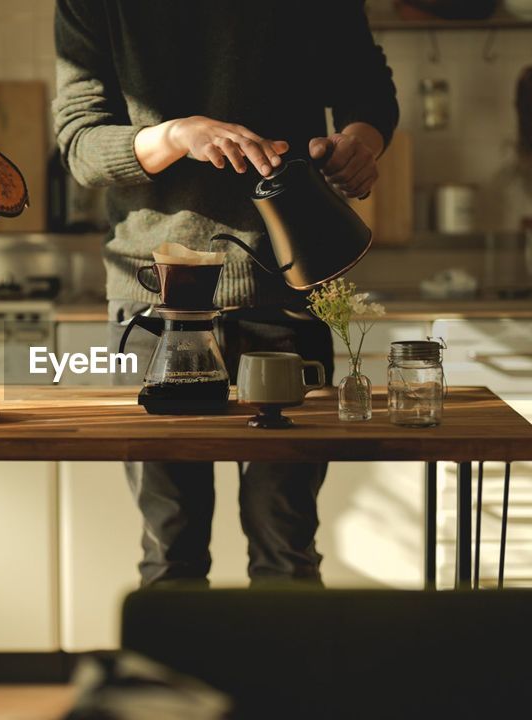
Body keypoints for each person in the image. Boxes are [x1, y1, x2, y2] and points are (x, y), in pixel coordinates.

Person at [53, 0, 398, 587]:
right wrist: (176, 135)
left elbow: (368, 91)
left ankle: (277, 684)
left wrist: (359, 144)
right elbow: (80, 143)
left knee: (286, 547)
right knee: (171, 550)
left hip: (286, 293)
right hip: (157, 304)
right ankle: (184, 682)